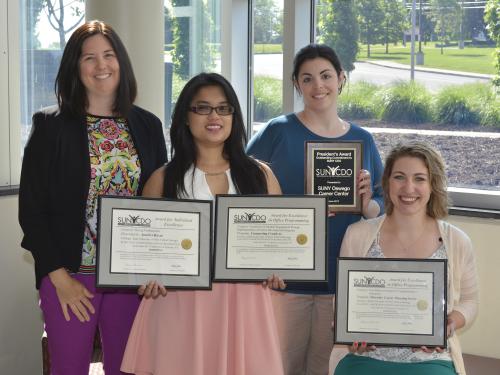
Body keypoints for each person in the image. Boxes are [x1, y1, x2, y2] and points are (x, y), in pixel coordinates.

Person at [18, 20, 168, 375]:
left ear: (121, 61)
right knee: (69, 368)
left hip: (130, 278)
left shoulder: (148, 125)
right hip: (70, 276)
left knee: (129, 368)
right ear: (75, 65)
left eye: (109, 55)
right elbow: (32, 211)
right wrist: (59, 279)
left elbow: (161, 201)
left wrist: (158, 266)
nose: (101, 66)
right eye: (89, 57)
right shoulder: (49, 126)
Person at [120, 72, 285, 375]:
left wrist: (280, 268)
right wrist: (146, 275)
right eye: (203, 108)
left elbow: (278, 245)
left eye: (224, 108)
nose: (214, 116)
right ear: (185, 116)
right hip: (179, 306)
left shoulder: (260, 176)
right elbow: (141, 253)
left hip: (244, 309)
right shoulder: (163, 179)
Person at [246, 43, 384, 375]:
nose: (318, 86)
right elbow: (244, 190)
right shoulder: (277, 132)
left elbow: (381, 206)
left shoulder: (363, 140)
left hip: (340, 278)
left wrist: (367, 203)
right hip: (283, 279)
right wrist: (293, 212)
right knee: (277, 364)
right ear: (296, 84)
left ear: (341, 79)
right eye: (307, 79)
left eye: (325, 76)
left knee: (327, 367)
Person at [330, 142, 479, 375]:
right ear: (387, 183)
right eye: (399, 177)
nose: (408, 188)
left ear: (433, 185)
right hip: (365, 355)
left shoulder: (457, 241)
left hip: (430, 358)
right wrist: (349, 329)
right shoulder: (357, 235)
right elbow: (343, 302)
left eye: (420, 178)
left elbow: (470, 302)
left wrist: (449, 323)